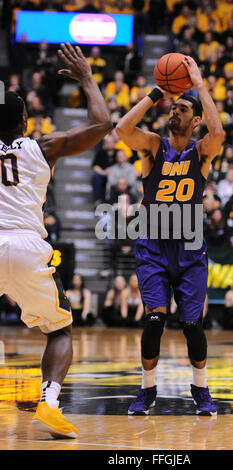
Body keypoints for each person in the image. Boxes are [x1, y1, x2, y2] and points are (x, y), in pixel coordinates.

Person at [0, 43, 112, 439]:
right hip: (27, 245)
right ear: (25, 121)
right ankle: (48, 402)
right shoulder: (42, 147)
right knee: (60, 330)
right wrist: (85, 77)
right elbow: (102, 124)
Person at [116, 55, 224, 416]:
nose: (174, 111)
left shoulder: (201, 150)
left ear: (195, 121)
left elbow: (219, 133)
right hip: (154, 245)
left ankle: (200, 387)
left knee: (192, 324)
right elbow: (121, 130)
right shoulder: (153, 145)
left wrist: (199, 85)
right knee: (154, 319)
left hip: (191, 248)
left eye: (182, 108)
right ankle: (147, 390)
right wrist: (156, 92)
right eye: (173, 106)